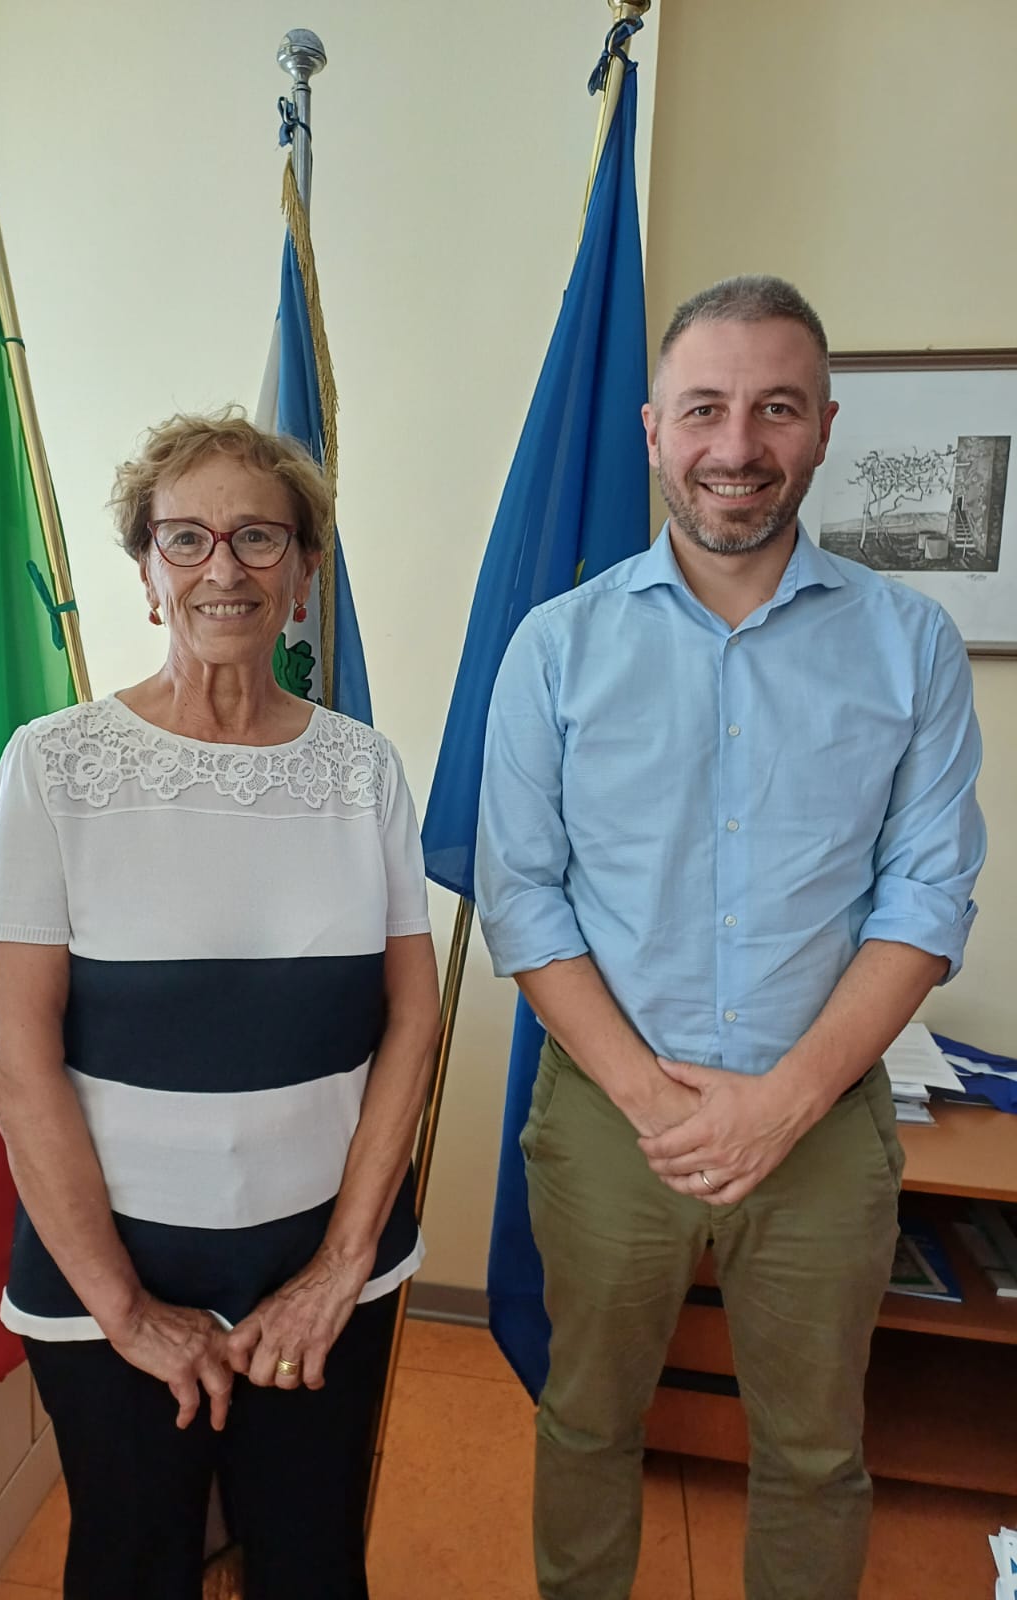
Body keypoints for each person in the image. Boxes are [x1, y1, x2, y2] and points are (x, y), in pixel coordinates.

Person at [475, 276, 985, 1600]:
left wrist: (780, 1107)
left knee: (815, 1454)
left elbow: (925, 900)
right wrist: (653, 1099)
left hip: (817, 1120)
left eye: (774, 409)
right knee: (587, 1424)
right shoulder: (555, 649)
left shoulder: (909, 645)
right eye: (704, 409)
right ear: (654, 429)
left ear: (823, 425)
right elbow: (523, 895)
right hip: (606, 1114)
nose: (737, 447)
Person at [0, 410, 440, 1600]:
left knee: (313, 1562)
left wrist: (340, 1268)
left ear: (303, 576)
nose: (221, 567)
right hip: (109, 1279)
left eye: (258, 538)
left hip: (325, 1272)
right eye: (184, 538)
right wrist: (128, 1311)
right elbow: (11, 1054)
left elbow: (411, 1022)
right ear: (145, 573)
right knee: (132, 1563)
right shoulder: (52, 764)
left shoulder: (362, 769)